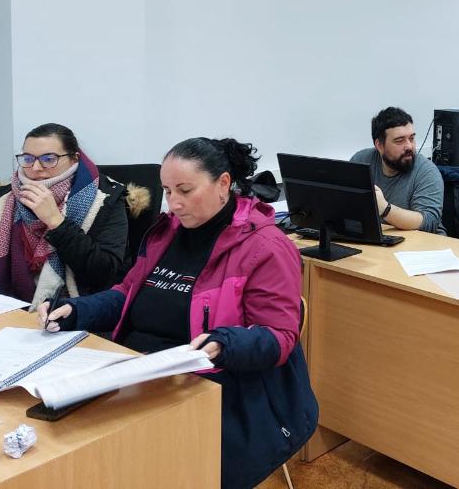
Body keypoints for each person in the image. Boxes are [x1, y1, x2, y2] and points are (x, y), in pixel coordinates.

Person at [38, 137, 318, 489]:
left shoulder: (265, 247)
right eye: (168, 191)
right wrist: (77, 310)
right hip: (139, 374)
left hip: (214, 388)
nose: (174, 204)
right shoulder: (165, 233)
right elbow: (128, 294)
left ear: (223, 184)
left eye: (185, 190)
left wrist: (223, 343)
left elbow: (279, 337)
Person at [0, 123, 135, 307]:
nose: (35, 168)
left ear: (74, 159)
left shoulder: (106, 198)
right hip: (11, 308)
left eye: (49, 159)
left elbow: (106, 276)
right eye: (27, 158)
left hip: (75, 311)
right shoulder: (6, 197)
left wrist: (56, 222)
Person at [351, 106, 444, 233]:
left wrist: (385, 209)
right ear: (379, 145)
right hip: (379, 239)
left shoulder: (427, 171)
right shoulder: (362, 160)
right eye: (399, 141)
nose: (409, 146)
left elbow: (428, 222)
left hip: (423, 245)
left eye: (411, 138)